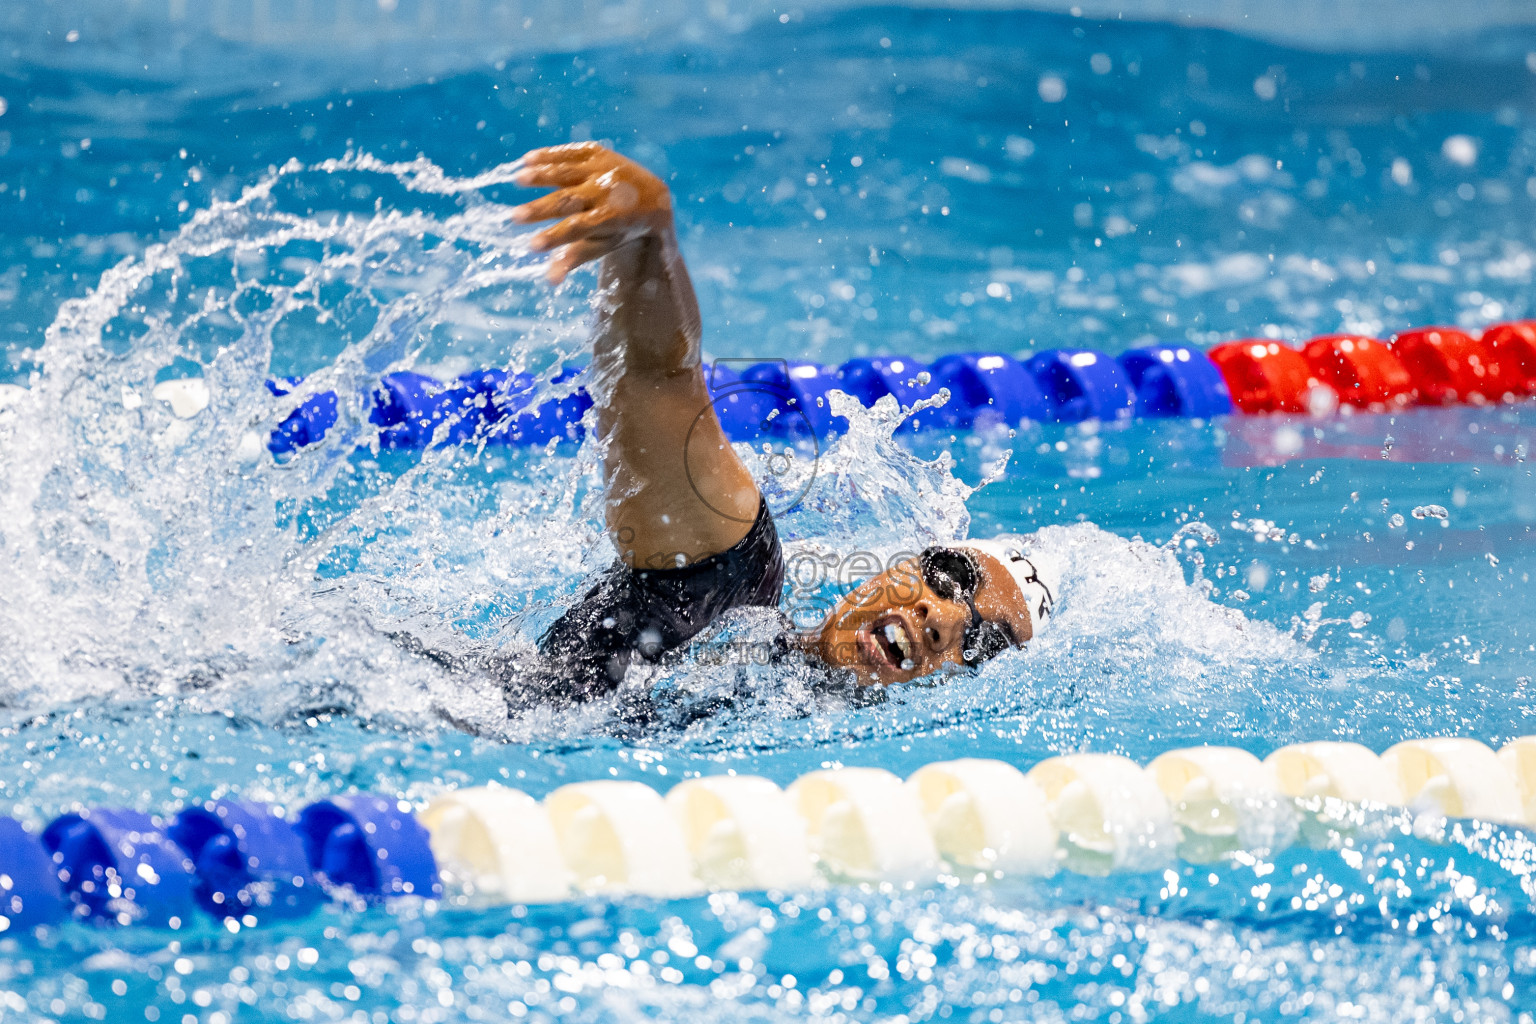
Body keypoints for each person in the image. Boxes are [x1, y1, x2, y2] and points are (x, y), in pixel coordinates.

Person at [506, 142, 1057, 702]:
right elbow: (658, 377)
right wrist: (649, 241)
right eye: (949, 576)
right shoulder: (730, 587)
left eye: (984, 641)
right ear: (898, 567)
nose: (940, 617)